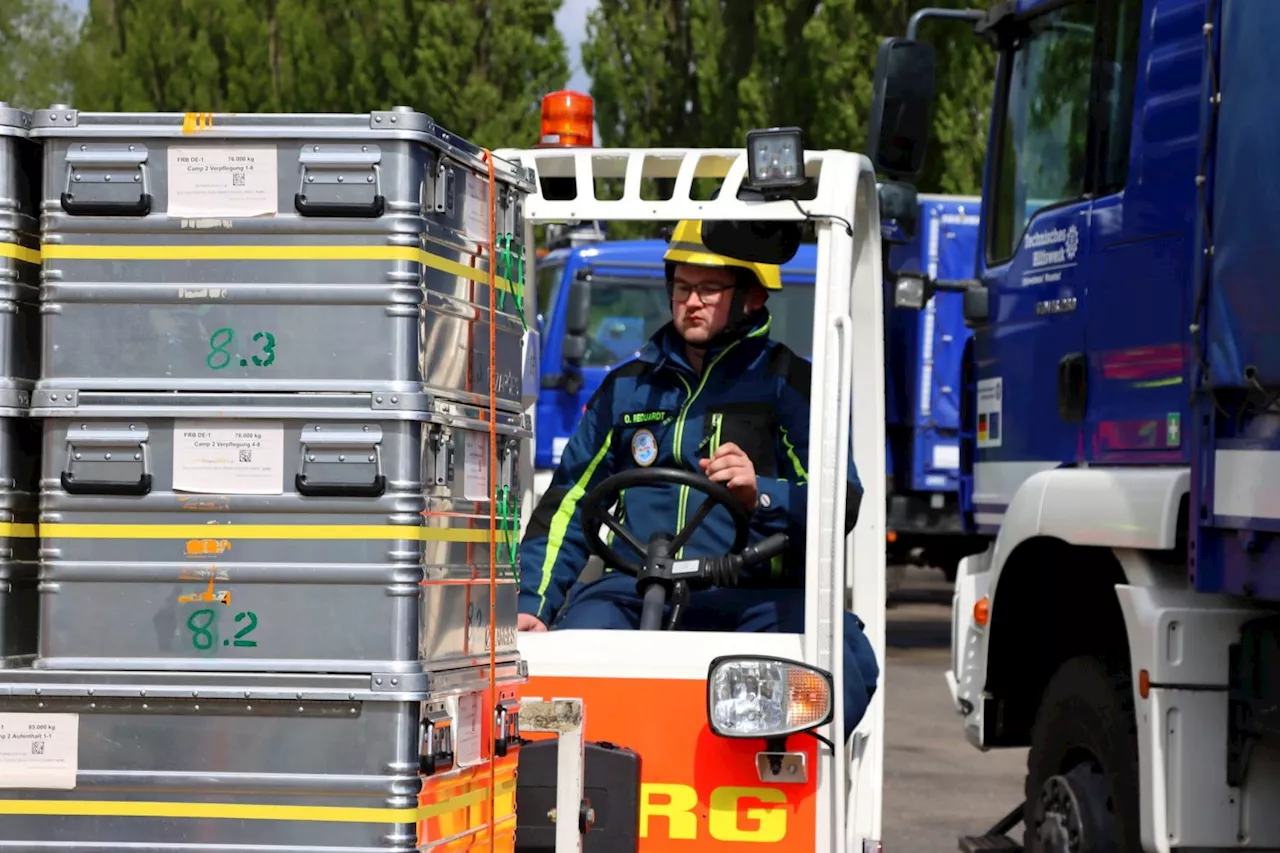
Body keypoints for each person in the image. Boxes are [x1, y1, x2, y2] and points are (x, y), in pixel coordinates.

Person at [517, 219, 879, 739]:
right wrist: (534, 603)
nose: (692, 302)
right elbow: (570, 503)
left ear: (752, 297)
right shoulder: (627, 388)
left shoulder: (793, 385)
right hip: (634, 589)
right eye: (682, 287)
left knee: (842, 655)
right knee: (564, 655)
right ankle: (583, 795)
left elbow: (840, 504)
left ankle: (783, 792)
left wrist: (763, 495)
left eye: (709, 289)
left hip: (751, 595)